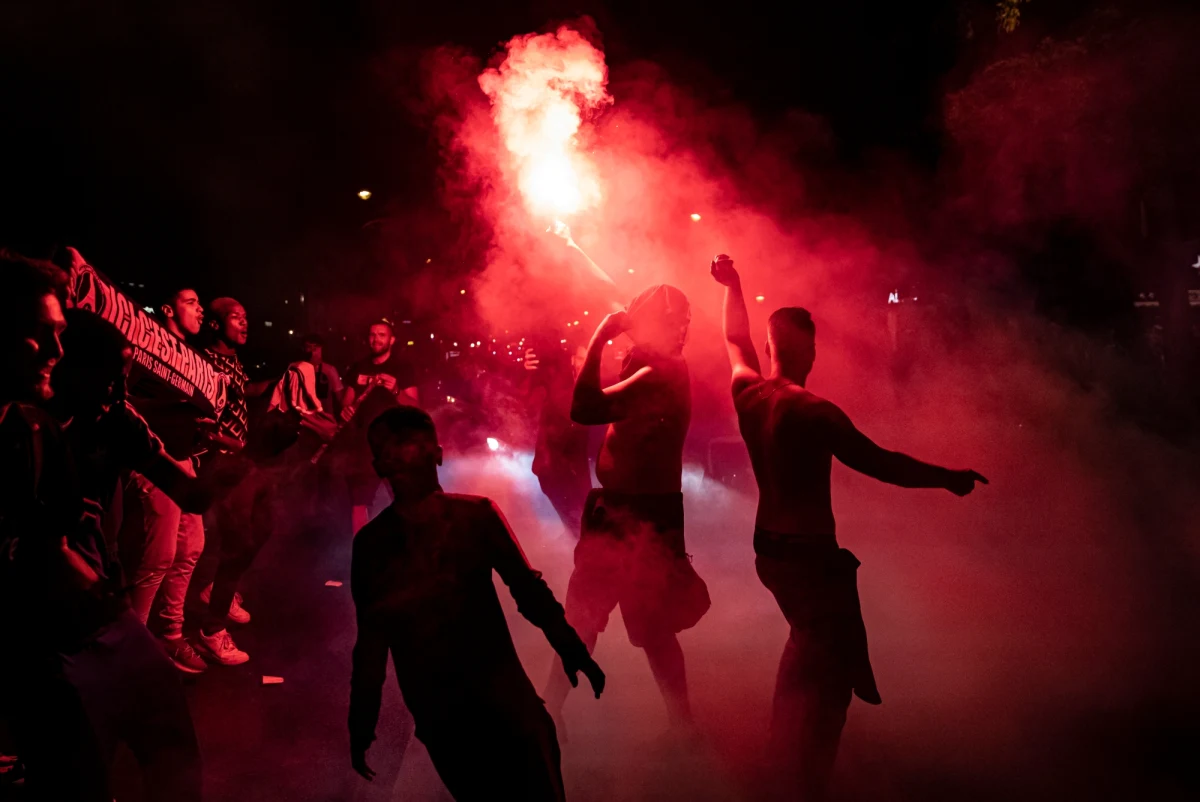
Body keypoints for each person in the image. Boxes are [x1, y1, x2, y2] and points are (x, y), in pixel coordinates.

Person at [709, 255, 988, 800]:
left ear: (770, 347)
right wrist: (947, 478)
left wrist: (734, 285)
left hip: (769, 553)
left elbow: (734, 339)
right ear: (809, 351)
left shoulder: (748, 393)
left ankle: (779, 753)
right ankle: (807, 782)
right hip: (810, 559)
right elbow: (881, 463)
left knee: (805, 642)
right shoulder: (816, 412)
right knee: (833, 675)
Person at [0, 250, 202, 802]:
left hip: (85, 610)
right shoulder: (30, 427)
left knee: (162, 733)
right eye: (43, 335)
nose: (57, 351)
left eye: (60, 335)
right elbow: (41, 550)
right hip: (45, 633)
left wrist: (252, 463)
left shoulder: (102, 421)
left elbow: (189, 491)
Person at [349, 406, 605, 801]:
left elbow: (371, 645)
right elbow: (528, 591)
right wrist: (570, 648)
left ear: (379, 466)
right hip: (505, 705)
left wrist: (361, 724)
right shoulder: (475, 515)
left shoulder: (371, 545)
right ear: (438, 454)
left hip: (444, 717)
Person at [543, 285, 710, 732]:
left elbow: (584, 407)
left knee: (637, 627)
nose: (681, 330)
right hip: (628, 511)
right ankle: (552, 710)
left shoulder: (661, 372)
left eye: (682, 322)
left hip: (639, 518)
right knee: (598, 621)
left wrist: (602, 334)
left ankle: (682, 728)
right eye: (673, 322)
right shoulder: (653, 364)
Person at [118, 286, 210, 673]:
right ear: (168, 310)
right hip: (157, 460)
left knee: (191, 548)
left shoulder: (192, 360)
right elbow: (125, 399)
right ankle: (132, 646)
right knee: (160, 555)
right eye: (192, 303)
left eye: (200, 303)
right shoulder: (148, 350)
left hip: (184, 459)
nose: (200, 310)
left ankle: (171, 633)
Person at [196, 296, 258, 664]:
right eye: (237, 318)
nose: (245, 323)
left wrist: (280, 383)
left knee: (249, 534)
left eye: (246, 317)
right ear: (216, 324)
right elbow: (203, 422)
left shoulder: (233, 359)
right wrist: (233, 445)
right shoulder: (204, 361)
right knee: (235, 542)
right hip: (218, 462)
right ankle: (211, 629)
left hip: (237, 461)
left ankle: (217, 591)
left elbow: (242, 393)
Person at [340, 319, 419, 534]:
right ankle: (361, 547)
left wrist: (396, 391)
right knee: (359, 502)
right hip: (364, 446)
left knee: (402, 499)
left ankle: (406, 544)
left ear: (392, 340)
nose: (376, 339)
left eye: (382, 335)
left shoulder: (402, 367)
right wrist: (345, 410)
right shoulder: (358, 367)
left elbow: (414, 406)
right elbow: (346, 402)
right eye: (372, 335)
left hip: (394, 445)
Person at [524, 335, 591, 536]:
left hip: (574, 469)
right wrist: (526, 370)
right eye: (580, 358)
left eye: (588, 359)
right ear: (572, 359)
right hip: (552, 470)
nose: (584, 364)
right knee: (577, 524)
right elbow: (530, 385)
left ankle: (577, 542)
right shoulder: (558, 381)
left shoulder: (592, 386)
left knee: (583, 521)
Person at [303, 332, 343, 415]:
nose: (312, 351)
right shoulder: (300, 370)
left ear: (321, 348)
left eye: (315, 347)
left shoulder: (330, 370)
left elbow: (339, 398)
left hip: (325, 417)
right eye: (308, 347)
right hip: (306, 417)